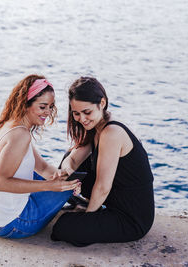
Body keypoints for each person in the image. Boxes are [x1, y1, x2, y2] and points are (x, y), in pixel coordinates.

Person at [0, 74, 81, 239]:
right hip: (10, 224)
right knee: (66, 188)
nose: (48, 112)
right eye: (43, 107)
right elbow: (1, 183)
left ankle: (69, 189)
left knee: (63, 181)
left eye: (51, 107)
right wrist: (53, 186)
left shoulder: (6, 125)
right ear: (26, 103)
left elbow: (43, 167)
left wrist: (62, 176)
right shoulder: (20, 135)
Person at [51, 77, 155, 246]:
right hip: (115, 202)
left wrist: (89, 220)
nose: (82, 119)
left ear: (102, 103)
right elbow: (72, 158)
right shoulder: (96, 127)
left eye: (87, 112)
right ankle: (89, 208)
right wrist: (69, 172)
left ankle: (92, 210)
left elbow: (103, 186)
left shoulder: (111, 132)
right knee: (68, 155)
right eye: (76, 113)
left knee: (62, 228)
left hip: (132, 219)